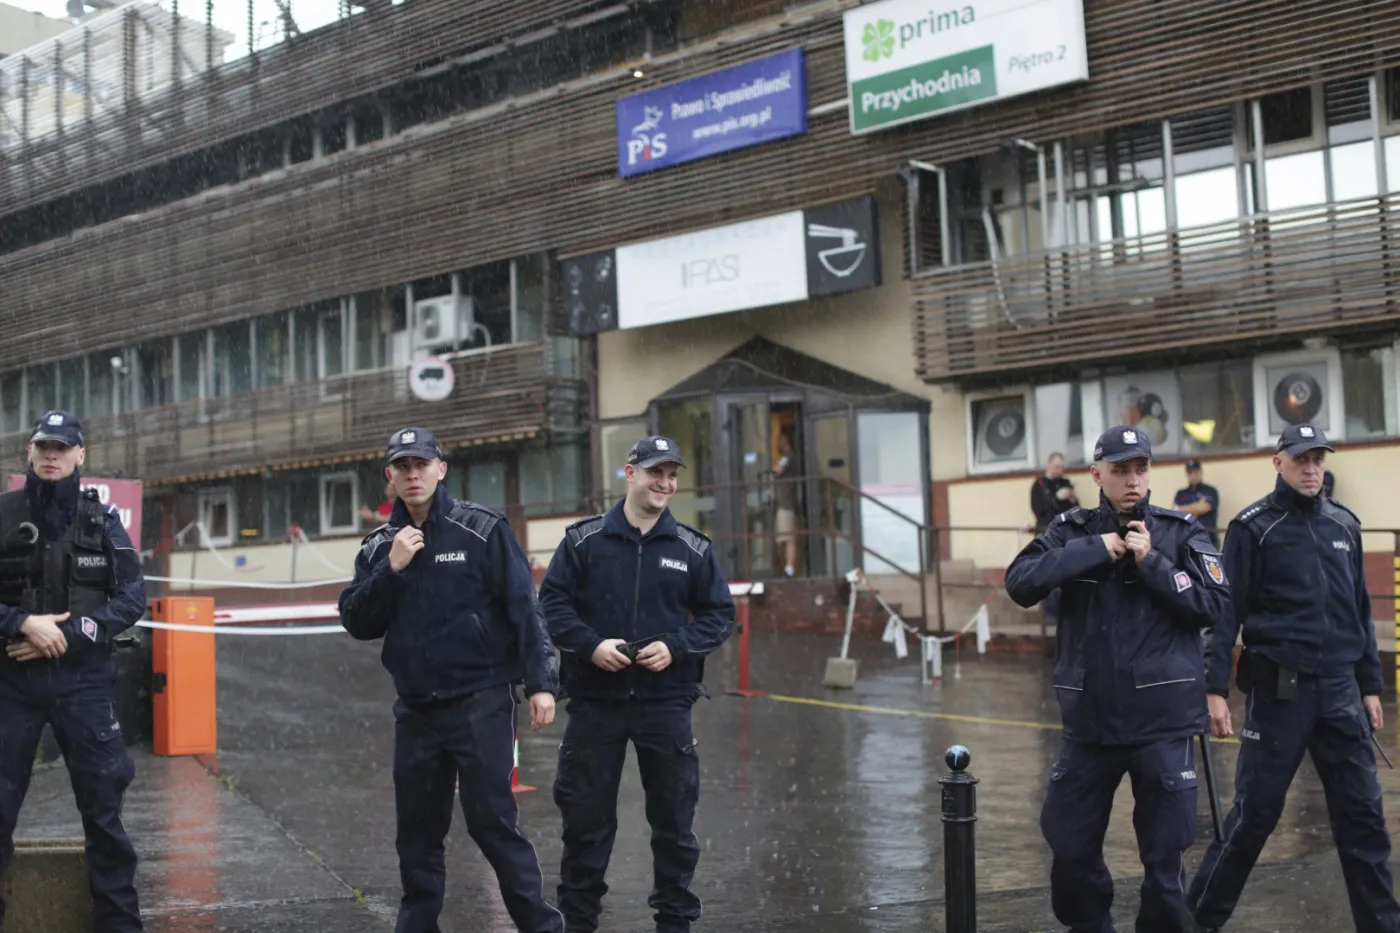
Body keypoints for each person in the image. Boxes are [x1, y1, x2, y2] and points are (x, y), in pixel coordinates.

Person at [1004, 425, 1230, 933]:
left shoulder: (1180, 531)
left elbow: (1213, 605)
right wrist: (1094, 549)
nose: (1133, 480)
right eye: (1120, 470)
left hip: (1162, 723)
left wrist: (1152, 562)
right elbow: (1019, 582)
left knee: (1165, 858)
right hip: (1091, 724)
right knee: (1070, 846)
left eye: (1141, 469)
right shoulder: (1071, 529)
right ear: (1096, 475)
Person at [338, 426, 564, 933]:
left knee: (493, 825)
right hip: (417, 710)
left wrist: (542, 682)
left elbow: (524, 610)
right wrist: (391, 569)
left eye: (422, 464)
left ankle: (542, 927)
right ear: (390, 477)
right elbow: (356, 620)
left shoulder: (481, 529)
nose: (413, 474)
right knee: (417, 835)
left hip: (480, 702)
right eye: (403, 466)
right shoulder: (380, 547)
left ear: (442, 470)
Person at [1188, 423, 1400, 933]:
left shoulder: (1344, 525)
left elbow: (1358, 612)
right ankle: (1194, 921)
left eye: (1319, 459)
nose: (1311, 468)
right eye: (1302, 459)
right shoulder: (1253, 527)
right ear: (1278, 462)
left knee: (1364, 819)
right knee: (1253, 817)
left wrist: (1371, 685)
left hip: (1341, 693)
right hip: (1281, 692)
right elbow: (1226, 610)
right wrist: (1215, 688)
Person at [539, 435, 736, 933]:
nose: (665, 483)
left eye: (672, 475)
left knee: (674, 825)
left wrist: (678, 646)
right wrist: (589, 645)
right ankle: (579, 923)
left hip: (665, 702)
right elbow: (552, 605)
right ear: (629, 473)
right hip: (595, 703)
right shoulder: (583, 541)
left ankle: (675, 923)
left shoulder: (692, 548)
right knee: (587, 823)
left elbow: (718, 616)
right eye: (655, 472)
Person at [0, 411, 146, 932]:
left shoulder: (103, 522)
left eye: (63, 448)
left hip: (83, 683)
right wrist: (22, 622)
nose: (52, 456)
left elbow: (133, 598)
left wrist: (70, 633)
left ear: (81, 455)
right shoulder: (3, 514)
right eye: (44, 447)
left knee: (104, 819)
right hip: (11, 685)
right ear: (30, 453)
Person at [1029, 452, 1078, 625]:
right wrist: (1057, 497)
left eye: (1062, 467)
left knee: (1065, 573)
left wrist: (1071, 498)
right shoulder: (1039, 484)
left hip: (1065, 534)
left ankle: (1067, 612)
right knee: (1048, 571)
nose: (1060, 470)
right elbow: (1039, 509)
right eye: (1057, 466)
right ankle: (1050, 614)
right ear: (1048, 465)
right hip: (1046, 534)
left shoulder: (1065, 483)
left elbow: (1075, 510)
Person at [1173, 459, 1221, 546]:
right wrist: (1196, 507)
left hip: (1208, 538)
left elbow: (1204, 508)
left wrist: (1182, 509)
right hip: (1186, 538)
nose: (1193, 475)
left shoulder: (1210, 491)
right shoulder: (1181, 493)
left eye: (1196, 472)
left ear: (1201, 472)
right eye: (1190, 473)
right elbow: (1174, 512)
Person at [772, 432, 799, 577]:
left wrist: (768, 469)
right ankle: (785, 568)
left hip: (786, 503)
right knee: (780, 539)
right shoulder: (787, 457)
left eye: (777, 441)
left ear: (784, 443)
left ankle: (789, 569)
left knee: (787, 538)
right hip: (782, 503)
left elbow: (777, 470)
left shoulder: (788, 457)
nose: (776, 445)